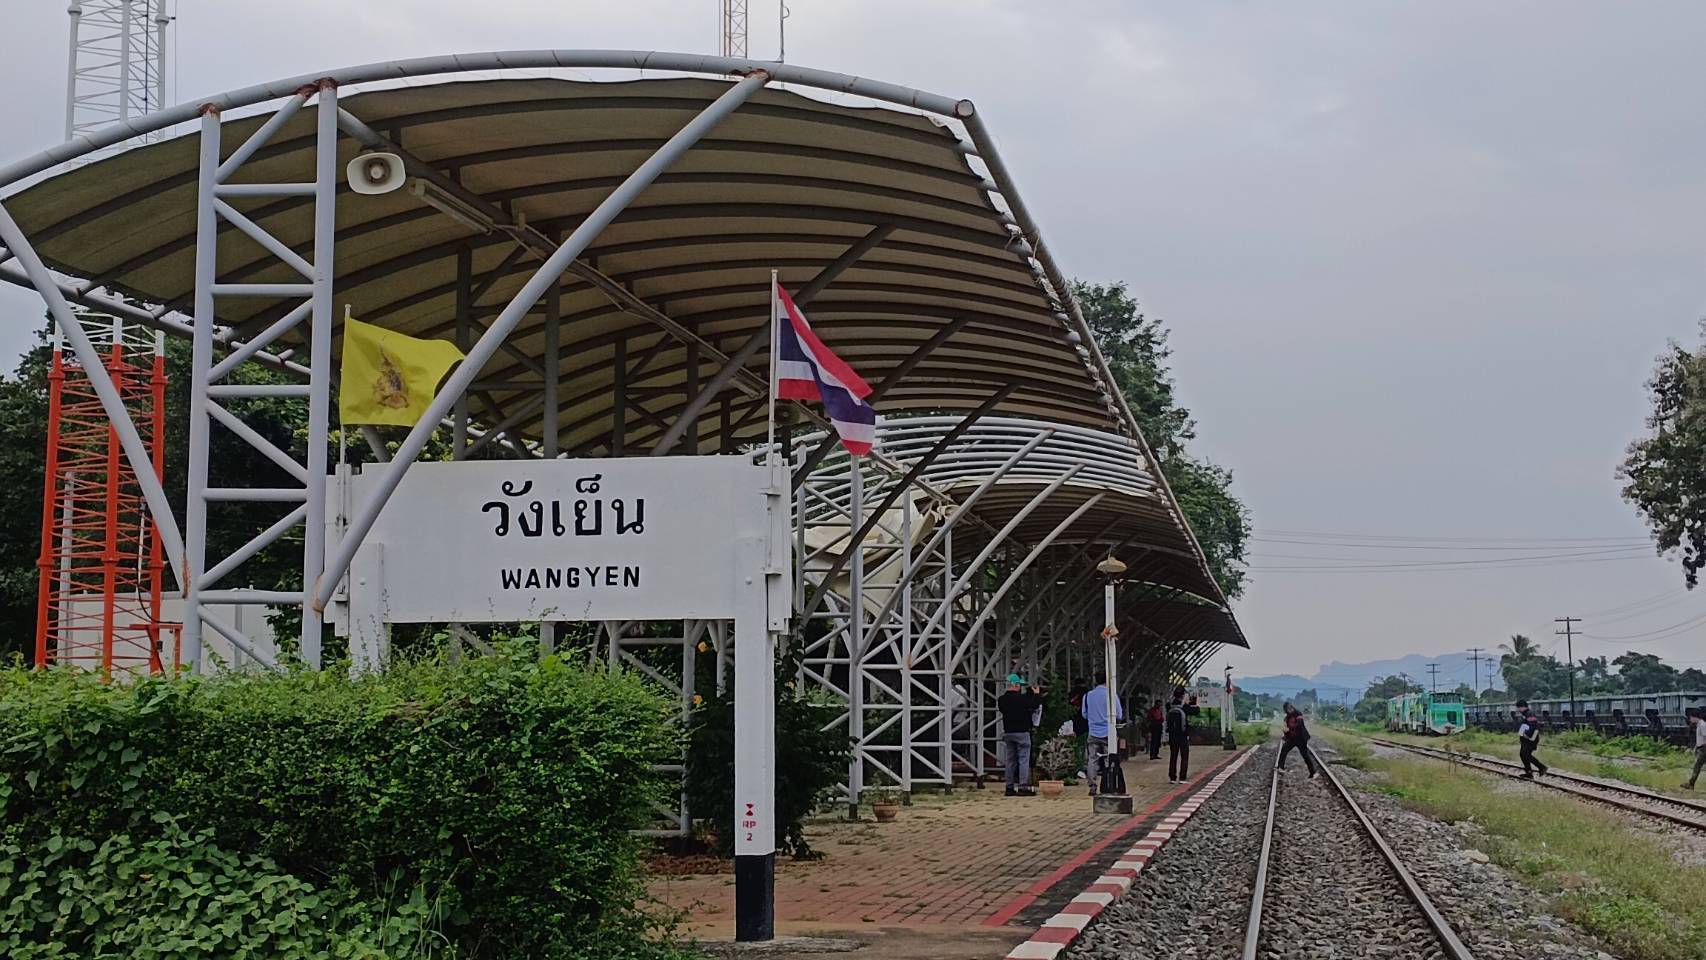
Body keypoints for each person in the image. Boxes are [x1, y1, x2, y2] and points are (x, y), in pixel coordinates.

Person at [997, 674, 1044, 796]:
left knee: (1010, 760)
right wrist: (1037, 693)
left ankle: (1009, 787)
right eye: (1019, 685)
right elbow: (1034, 704)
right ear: (1016, 685)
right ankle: (1023, 787)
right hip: (1022, 732)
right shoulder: (1022, 699)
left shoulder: (1001, 700)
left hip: (1008, 732)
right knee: (1023, 759)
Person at [1081, 671, 1124, 794]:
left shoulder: (1088, 696)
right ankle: (1108, 783)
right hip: (1108, 732)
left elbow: (1084, 714)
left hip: (1093, 732)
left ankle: (1092, 786)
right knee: (1108, 758)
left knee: (1092, 759)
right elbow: (1119, 714)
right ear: (1107, 680)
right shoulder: (1111, 695)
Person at [1165, 687, 1199, 784]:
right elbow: (1197, 711)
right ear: (1183, 695)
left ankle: (1172, 777)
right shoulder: (1184, 707)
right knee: (1184, 756)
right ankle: (1182, 778)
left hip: (1172, 735)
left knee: (1173, 756)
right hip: (1183, 735)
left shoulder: (1169, 706)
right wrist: (1193, 702)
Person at [1278, 703, 1319, 778]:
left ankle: (1313, 773)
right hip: (1292, 739)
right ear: (1286, 710)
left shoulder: (1298, 714)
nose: (1290, 709)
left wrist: (1290, 728)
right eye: (1288, 708)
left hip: (1301, 738)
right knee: (1284, 749)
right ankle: (1280, 767)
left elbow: (1300, 724)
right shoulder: (1287, 718)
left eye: (1291, 708)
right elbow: (1286, 728)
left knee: (1305, 755)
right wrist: (1285, 733)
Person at [1516, 699, 1548, 779]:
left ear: (1523, 707)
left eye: (1519, 708)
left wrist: (1527, 735)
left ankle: (1542, 767)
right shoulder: (1525, 714)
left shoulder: (1530, 714)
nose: (1518, 710)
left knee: (1525, 754)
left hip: (1530, 738)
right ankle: (1529, 773)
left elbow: (1533, 726)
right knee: (1523, 755)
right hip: (1525, 738)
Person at [1068, 679, 1091, 780]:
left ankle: (1078, 767)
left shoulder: (1073, 694)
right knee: (1085, 747)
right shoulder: (1087, 694)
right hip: (1085, 724)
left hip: (1076, 723)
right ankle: (1083, 768)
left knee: (1079, 747)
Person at [1684, 708, 1706, 790]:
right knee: (1697, 766)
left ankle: (1691, 784)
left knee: (1697, 766)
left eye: (1690, 718)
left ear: (1694, 717)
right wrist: (1695, 748)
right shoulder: (1699, 725)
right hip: (1701, 748)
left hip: (1704, 749)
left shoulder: (1703, 725)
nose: (1690, 720)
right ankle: (1691, 784)